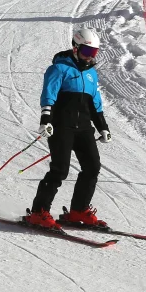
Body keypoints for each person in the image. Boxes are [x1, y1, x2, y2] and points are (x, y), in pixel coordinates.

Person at [23, 28, 112, 230]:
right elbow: (49, 95)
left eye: (94, 53)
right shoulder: (59, 69)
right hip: (61, 127)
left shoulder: (91, 74)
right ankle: (39, 212)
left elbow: (95, 103)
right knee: (60, 170)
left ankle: (78, 210)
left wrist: (102, 127)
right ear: (75, 48)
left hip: (84, 128)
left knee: (92, 168)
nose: (90, 57)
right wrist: (46, 120)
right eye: (87, 52)